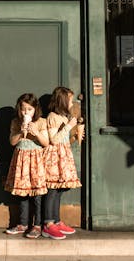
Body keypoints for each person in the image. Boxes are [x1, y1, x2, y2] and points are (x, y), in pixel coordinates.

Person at [4, 93, 49, 238]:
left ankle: (37, 225)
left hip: (36, 160)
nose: (26, 112)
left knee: (37, 194)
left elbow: (46, 142)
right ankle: (22, 224)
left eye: (29, 109)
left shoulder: (42, 122)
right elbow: (12, 141)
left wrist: (35, 132)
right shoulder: (15, 122)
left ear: (35, 109)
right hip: (21, 159)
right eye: (23, 109)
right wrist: (20, 132)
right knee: (22, 193)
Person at [42, 86, 83, 240]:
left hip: (63, 156)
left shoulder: (65, 117)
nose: (72, 103)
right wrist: (69, 126)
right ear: (62, 100)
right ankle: (48, 224)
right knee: (52, 190)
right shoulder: (52, 116)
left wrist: (75, 136)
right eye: (70, 99)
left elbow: (64, 140)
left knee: (59, 190)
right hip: (53, 158)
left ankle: (57, 221)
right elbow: (54, 139)